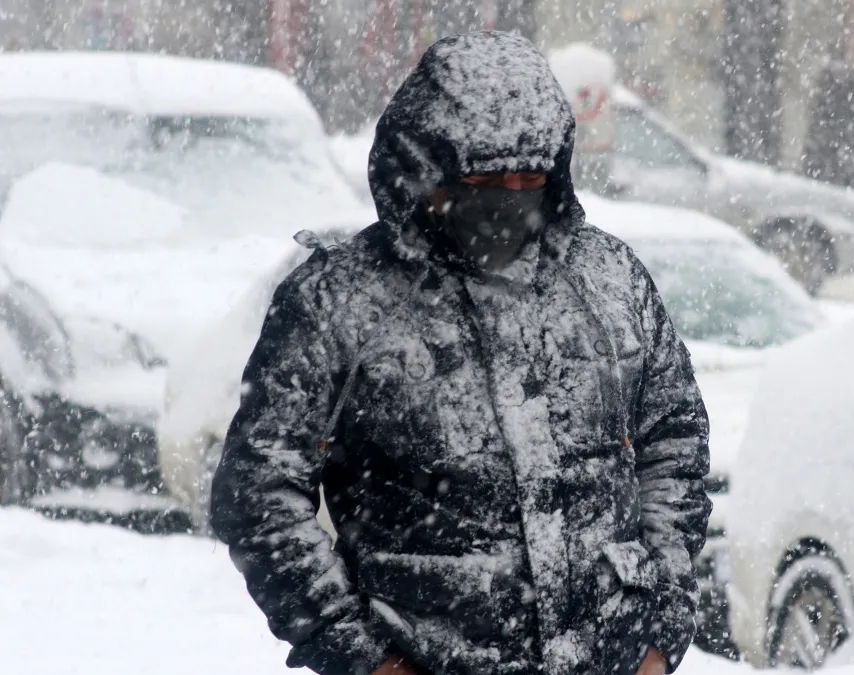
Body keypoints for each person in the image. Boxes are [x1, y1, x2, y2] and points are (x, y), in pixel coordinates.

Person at [209, 31, 711, 675]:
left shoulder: (608, 280)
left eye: (529, 177)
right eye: (485, 178)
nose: (509, 196)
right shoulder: (341, 302)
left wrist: (659, 624)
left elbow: (674, 442)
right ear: (424, 169)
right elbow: (259, 493)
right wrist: (364, 654)